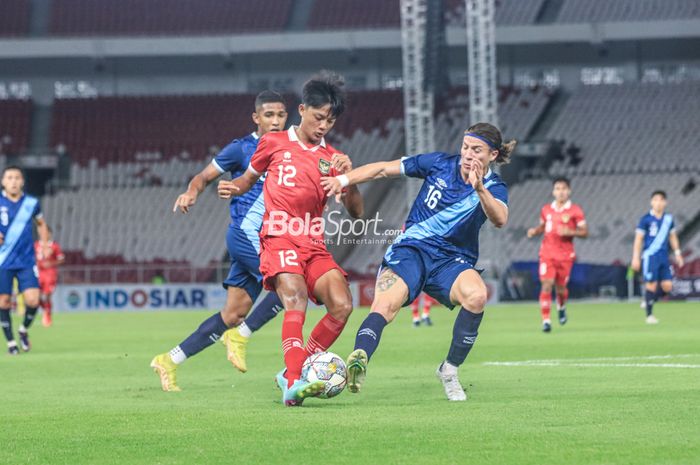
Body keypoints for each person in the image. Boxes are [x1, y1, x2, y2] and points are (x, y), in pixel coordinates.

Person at [321, 122, 514, 401]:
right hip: (411, 250)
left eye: (477, 150)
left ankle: (449, 370)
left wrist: (480, 189)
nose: (468, 154)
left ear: (493, 155)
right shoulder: (438, 163)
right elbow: (383, 169)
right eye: (465, 147)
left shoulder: (495, 187)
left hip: (451, 260)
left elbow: (500, 220)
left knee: (477, 296)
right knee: (385, 306)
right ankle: (360, 356)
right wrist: (343, 180)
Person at [218, 71, 364, 406]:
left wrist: (348, 178)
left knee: (342, 306)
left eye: (329, 120)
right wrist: (233, 187)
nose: (323, 125)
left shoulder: (333, 158)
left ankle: (292, 371)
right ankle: (294, 383)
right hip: (279, 237)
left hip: (313, 243)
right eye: (318, 117)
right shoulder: (273, 142)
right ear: (302, 110)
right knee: (294, 299)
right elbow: (247, 178)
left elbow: (357, 212)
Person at [150, 91, 289, 391]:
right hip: (246, 236)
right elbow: (203, 176)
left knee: (232, 313)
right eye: (269, 115)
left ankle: (169, 360)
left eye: (281, 115)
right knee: (291, 286)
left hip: (269, 239)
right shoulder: (241, 149)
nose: (276, 121)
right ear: (256, 117)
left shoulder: (291, 149)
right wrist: (191, 192)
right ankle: (243, 335)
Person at [0, 166, 50, 355]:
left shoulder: (31, 203)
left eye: (17, 177)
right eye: (9, 177)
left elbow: (41, 224)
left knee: (33, 299)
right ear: (3, 181)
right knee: (3, 302)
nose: (13, 181)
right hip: (2, 260)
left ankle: (23, 330)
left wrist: (44, 245)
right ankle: (11, 342)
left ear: (22, 181)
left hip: (26, 261)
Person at [526, 177, 587, 332]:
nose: (561, 192)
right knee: (546, 284)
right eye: (558, 188)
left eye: (564, 188)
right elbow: (543, 226)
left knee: (561, 288)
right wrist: (535, 231)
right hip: (547, 253)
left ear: (569, 191)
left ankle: (561, 306)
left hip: (565, 256)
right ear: (553, 191)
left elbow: (585, 232)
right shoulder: (546, 209)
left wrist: (570, 232)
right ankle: (546, 320)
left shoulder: (575, 210)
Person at [630, 190, 684, 324]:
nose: (658, 203)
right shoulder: (645, 219)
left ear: (665, 202)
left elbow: (673, 237)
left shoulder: (668, 219)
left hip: (664, 256)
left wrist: (678, 253)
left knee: (668, 286)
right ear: (651, 202)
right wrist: (635, 258)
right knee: (651, 284)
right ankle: (649, 316)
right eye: (655, 200)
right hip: (650, 256)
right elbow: (638, 239)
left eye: (660, 200)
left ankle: (649, 299)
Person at [34, 227, 65, 327]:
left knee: (47, 295)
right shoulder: (36, 245)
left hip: (50, 274)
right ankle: (46, 310)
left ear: (50, 234)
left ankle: (47, 315)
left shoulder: (54, 246)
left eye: (46, 233)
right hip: (37, 273)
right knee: (35, 297)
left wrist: (51, 263)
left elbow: (61, 259)